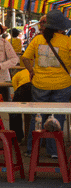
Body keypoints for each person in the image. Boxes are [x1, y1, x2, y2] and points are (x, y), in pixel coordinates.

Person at [21, 9, 71, 159]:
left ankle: (32, 148)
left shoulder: (37, 40)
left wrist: (31, 71)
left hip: (40, 84)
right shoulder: (67, 41)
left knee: (38, 116)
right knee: (57, 118)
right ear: (60, 26)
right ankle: (54, 150)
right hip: (62, 85)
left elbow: (25, 58)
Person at [9, 68, 31, 143]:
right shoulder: (33, 70)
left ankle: (17, 137)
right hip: (36, 87)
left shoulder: (16, 75)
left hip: (23, 87)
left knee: (14, 111)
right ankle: (43, 139)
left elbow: (15, 88)